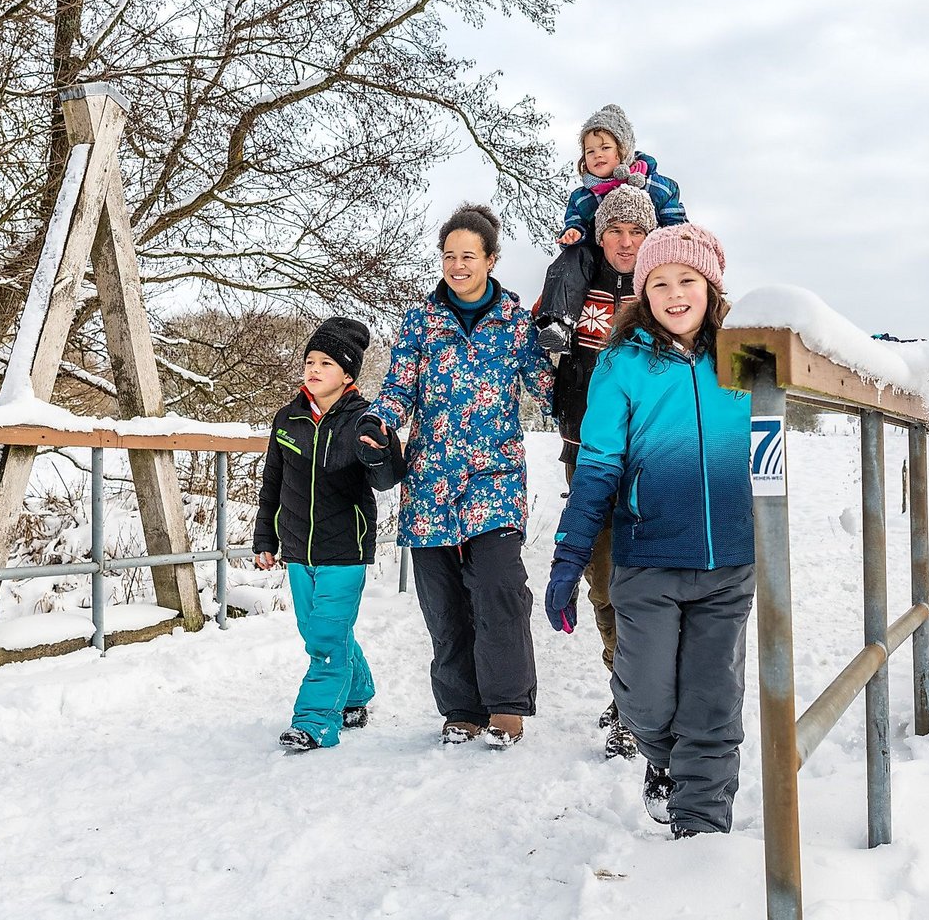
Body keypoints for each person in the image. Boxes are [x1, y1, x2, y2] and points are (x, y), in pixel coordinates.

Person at [543, 223, 756, 838]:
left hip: (727, 564)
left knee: (713, 705)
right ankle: (664, 761)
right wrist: (568, 559)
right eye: (658, 283)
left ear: (711, 288)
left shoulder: (746, 355)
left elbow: (819, 358)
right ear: (643, 294)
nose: (674, 293)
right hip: (647, 562)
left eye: (687, 280)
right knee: (645, 702)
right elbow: (597, 468)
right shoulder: (621, 365)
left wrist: (901, 361)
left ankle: (701, 829)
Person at [362, 204, 554, 748]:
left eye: (468, 255)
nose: (457, 265)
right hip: (431, 481)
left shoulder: (516, 323)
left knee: (498, 588)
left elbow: (544, 391)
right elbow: (400, 388)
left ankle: (507, 705)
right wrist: (381, 421)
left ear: (490, 260)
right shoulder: (421, 321)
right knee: (442, 601)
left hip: (493, 478)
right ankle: (461, 708)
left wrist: (559, 358)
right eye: (449, 255)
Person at [253, 317, 406, 753]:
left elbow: (387, 479)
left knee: (324, 638)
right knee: (316, 630)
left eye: (326, 362)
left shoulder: (366, 420)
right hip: (299, 547)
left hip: (345, 547)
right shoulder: (289, 418)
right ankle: (357, 693)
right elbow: (272, 483)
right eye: (309, 361)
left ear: (348, 374)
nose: (313, 369)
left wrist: (377, 455)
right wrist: (266, 538)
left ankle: (316, 721)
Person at [541, 183, 655, 760]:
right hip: (585, 448)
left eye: (637, 231)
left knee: (650, 583)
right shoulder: (579, 282)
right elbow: (537, 341)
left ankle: (645, 700)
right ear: (599, 233)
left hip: (653, 456)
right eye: (615, 230)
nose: (626, 242)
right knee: (603, 579)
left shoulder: (667, 289)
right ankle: (624, 689)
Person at [538, 105, 686, 357]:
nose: (597, 155)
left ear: (623, 151)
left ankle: (670, 332)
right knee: (573, 257)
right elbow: (575, 220)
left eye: (605, 148)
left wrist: (675, 240)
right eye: (590, 151)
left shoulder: (655, 184)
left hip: (650, 254)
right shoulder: (584, 195)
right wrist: (574, 232)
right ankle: (559, 322)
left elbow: (674, 217)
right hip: (599, 258)